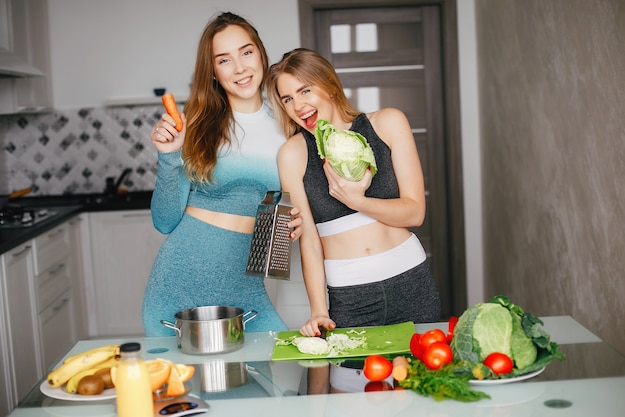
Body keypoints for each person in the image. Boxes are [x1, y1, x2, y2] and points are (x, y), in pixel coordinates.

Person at [142, 12, 301, 337]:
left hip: (247, 290)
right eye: (224, 60)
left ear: (260, 53)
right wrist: (169, 156)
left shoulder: (289, 121)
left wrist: (298, 219)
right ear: (213, 71)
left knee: (284, 380)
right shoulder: (196, 125)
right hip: (177, 289)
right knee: (186, 389)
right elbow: (164, 221)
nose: (240, 68)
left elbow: (289, 203)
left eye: (246, 52)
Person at [265, 48, 441, 337]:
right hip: (349, 297)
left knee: (418, 378)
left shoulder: (387, 122)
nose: (298, 105)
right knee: (353, 381)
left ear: (330, 85)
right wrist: (319, 310)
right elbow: (310, 240)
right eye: (288, 99)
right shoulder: (292, 155)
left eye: (305, 90)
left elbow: (415, 211)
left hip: (412, 284)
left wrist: (357, 200)